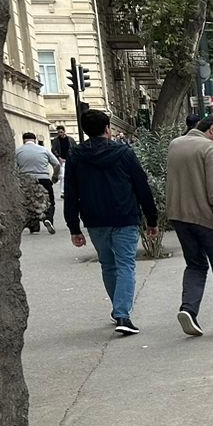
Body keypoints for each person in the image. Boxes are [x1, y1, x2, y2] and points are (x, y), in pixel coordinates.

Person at [64, 108, 158, 336]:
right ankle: (123, 314)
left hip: (95, 219)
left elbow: (70, 192)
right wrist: (151, 219)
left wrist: (74, 227)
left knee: (108, 264)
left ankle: (119, 311)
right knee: (126, 264)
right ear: (108, 128)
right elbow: (141, 185)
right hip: (124, 215)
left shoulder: (76, 155)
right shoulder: (124, 153)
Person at [165, 114, 213, 335]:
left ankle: (188, 309)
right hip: (206, 219)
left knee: (195, 265)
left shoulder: (175, 145)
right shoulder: (209, 149)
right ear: (212, 129)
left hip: (179, 216)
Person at [14, 132, 61, 234]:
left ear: (23, 140)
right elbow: (57, 164)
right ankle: (48, 218)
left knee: (29, 203)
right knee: (50, 201)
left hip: (26, 180)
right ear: (34, 140)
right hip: (43, 178)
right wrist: (55, 176)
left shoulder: (18, 151)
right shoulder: (43, 150)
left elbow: (14, 167)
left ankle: (34, 227)